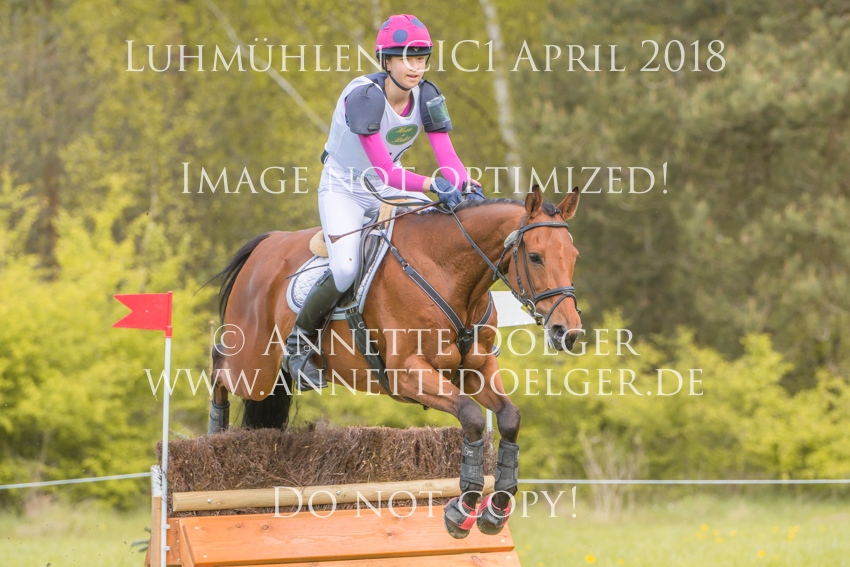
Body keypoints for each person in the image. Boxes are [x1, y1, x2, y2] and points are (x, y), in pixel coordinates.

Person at [284, 13, 484, 390]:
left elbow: (448, 158)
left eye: (421, 58)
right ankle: (297, 344)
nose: (416, 67)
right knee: (345, 269)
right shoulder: (363, 97)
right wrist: (432, 183)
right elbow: (386, 171)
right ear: (386, 62)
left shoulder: (428, 95)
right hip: (344, 188)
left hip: (386, 186)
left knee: (439, 227)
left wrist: (464, 183)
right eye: (406, 59)